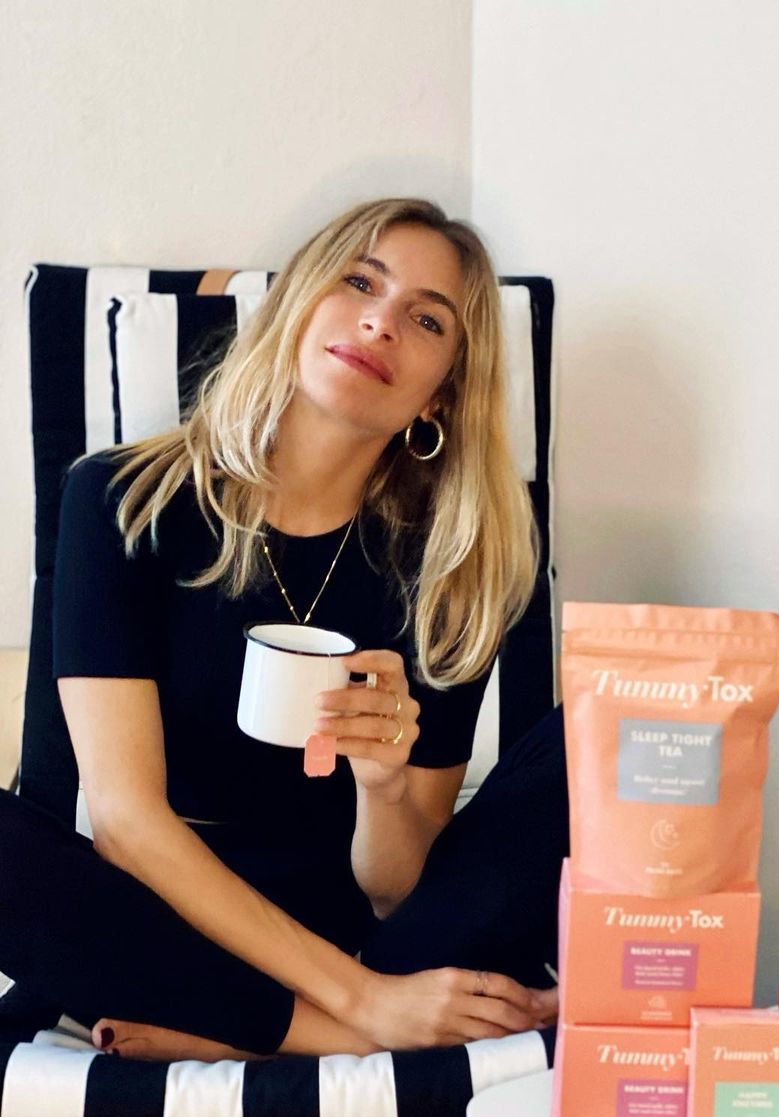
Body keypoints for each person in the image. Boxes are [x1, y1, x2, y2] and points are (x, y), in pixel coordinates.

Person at [0, 197, 567, 1064]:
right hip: (164, 927)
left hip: (368, 936)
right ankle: (314, 1038)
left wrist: (384, 788)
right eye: (360, 282)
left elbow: (397, 891)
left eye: (426, 319)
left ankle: (248, 1034)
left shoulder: (455, 566)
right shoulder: (123, 500)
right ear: (301, 302)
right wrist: (365, 1006)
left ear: (443, 391)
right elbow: (124, 824)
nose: (381, 323)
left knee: (606, 731)